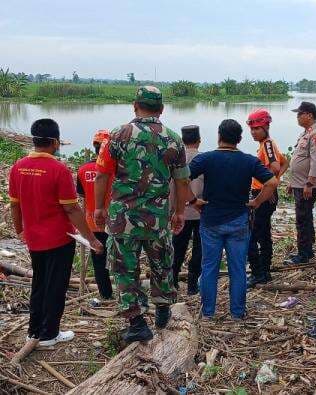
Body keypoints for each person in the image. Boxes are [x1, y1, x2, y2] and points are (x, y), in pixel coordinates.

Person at [94, 86, 190, 342]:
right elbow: (182, 182)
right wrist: (179, 212)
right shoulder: (173, 140)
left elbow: (102, 174)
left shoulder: (117, 135)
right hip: (158, 218)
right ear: (161, 110)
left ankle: (136, 322)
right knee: (161, 263)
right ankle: (162, 308)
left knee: (125, 268)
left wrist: (99, 207)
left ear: (135, 106)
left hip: (122, 218)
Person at [9, 119, 103, 347]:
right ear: (54, 141)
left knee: (39, 282)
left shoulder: (18, 166)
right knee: (55, 285)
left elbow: (15, 205)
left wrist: (20, 230)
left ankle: (34, 330)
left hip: (33, 238)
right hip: (59, 239)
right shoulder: (59, 170)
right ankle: (49, 333)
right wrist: (91, 238)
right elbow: (71, 208)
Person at [188, 119, 278, 320]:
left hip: (211, 221)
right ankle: (237, 313)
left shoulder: (207, 159)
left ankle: (208, 313)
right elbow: (272, 182)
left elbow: (181, 178)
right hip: (238, 221)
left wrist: (193, 201)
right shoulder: (248, 161)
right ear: (239, 139)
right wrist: (256, 202)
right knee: (237, 269)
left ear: (219, 136)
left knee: (209, 268)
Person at [246, 109, 288, 287]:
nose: (254, 132)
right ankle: (265, 271)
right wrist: (275, 182)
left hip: (263, 195)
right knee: (263, 233)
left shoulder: (268, 145)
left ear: (266, 126)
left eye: (257, 128)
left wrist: (269, 186)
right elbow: (286, 162)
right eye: (252, 129)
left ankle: (258, 273)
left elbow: (276, 166)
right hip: (266, 193)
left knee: (252, 235)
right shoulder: (267, 144)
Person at [284, 101, 316, 264]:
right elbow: (300, 158)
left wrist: (309, 184)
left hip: (307, 186)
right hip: (300, 183)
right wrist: (291, 181)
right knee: (305, 216)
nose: (297, 117)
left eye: (299, 114)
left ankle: (303, 255)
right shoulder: (305, 133)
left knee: (302, 218)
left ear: (309, 115)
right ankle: (307, 250)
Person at [76, 130, 113, 299]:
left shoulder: (83, 170)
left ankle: (105, 295)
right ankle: (125, 296)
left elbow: (82, 199)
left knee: (99, 261)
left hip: (92, 224)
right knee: (121, 261)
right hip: (115, 223)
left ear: (94, 146)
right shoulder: (117, 168)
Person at [169, 125, 204, 295]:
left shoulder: (176, 161)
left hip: (180, 212)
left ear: (182, 142)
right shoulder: (204, 159)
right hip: (200, 212)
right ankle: (192, 285)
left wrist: (171, 211)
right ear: (199, 141)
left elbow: (171, 189)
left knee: (177, 248)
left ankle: (173, 281)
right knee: (199, 249)